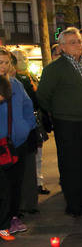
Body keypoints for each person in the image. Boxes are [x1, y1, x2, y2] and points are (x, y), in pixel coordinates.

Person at [37, 27, 82, 217]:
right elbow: (42, 95)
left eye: (79, 41)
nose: (78, 45)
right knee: (71, 164)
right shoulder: (54, 68)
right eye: (73, 42)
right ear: (63, 47)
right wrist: (57, 112)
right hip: (67, 123)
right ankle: (74, 205)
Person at [0, 49, 36, 238]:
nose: (4, 67)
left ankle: (13, 216)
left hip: (17, 143)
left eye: (6, 63)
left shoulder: (17, 85)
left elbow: (28, 107)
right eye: (0, 63)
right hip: (1, 144)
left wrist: (27, 126)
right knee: (3, 186)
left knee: (15, 183)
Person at [10, 50, 47, 211]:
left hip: (26, 130)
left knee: (31, 164)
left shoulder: (20, 82)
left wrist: (28, 126)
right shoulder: (14, 82)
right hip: (12, 135)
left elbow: (29, 103)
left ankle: (29, 201)